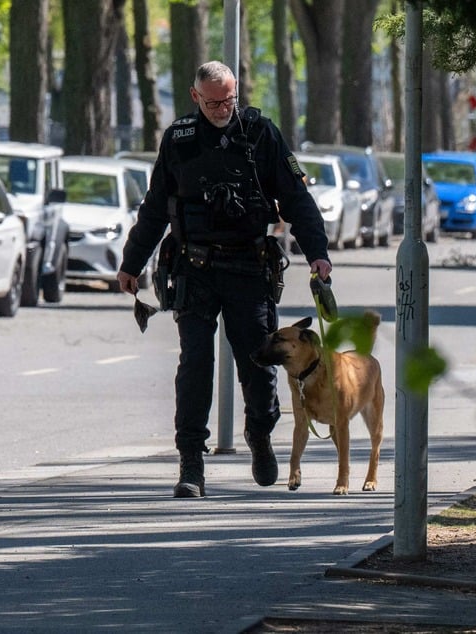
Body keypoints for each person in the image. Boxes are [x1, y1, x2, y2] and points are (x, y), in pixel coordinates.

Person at [116, 61, 332, 498]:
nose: (222, 108)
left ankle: (260, 434)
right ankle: (191, 463)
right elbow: (156, 206)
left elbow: (295, 198)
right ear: (196, 97)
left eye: (229, 99)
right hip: (194, 269)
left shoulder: (260, 134)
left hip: (249, 266)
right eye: (213, 101)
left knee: (259, 363)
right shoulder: (179, 139)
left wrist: (318, 254)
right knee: (195, 365)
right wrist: (132, 262)